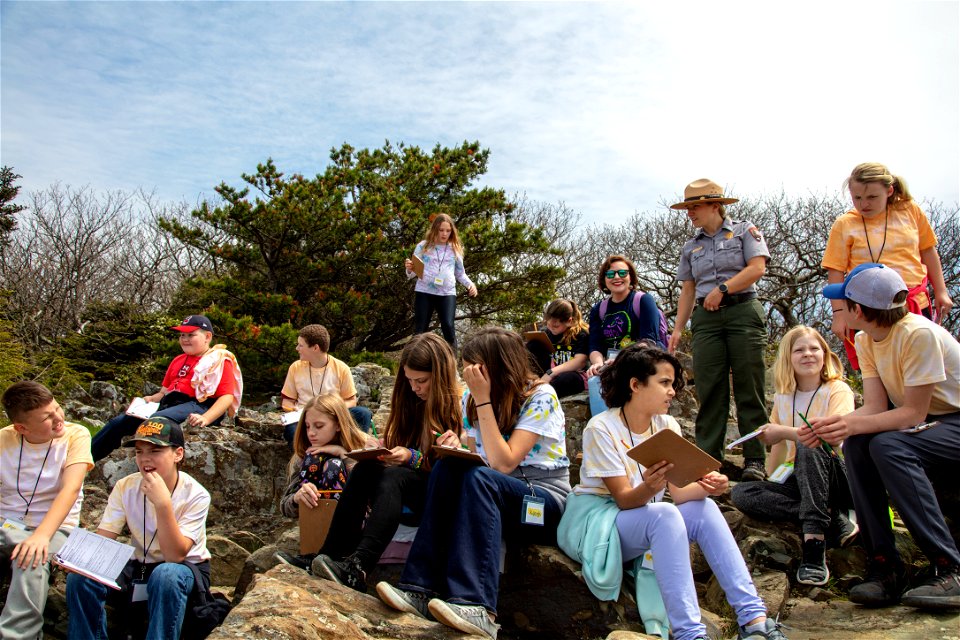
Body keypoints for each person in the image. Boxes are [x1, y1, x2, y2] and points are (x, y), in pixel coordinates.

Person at [560, 345, 788, 640]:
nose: (673, 392)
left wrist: (708, 487)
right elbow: (625, 499)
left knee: (703, 508)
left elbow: (679, 494)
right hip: (600, 521)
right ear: (635, 385)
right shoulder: (601, 427)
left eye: (673, 384)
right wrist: (650, 487)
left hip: (644, 517)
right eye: (664, 383)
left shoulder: (665, 425)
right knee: (664, 514)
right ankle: (690, 634)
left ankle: (754, 619)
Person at [376, 327, 570, 640]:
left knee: (482, 478)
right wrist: (458, 446)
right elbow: (479, 455)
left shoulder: (540, 397)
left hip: (542, 503)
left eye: (474, 368)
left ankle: (477, 605)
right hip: (497, 493)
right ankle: (419, 588)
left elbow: (503, 463)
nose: (468, 376)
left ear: (498, 366)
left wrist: (482, 401)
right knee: (448, 466)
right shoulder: (473, 397)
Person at [816, 263, 960, 610]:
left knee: (888, 445)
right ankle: (885, 566)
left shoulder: (918, 334)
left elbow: (913, 414)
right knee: (858, 443)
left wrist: (850, 424)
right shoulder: (866, 339)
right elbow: (876, 407)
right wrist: (836, 425)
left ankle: (950, 567)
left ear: (859, 310)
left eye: (843, 304)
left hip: (952, 420)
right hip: (934, 425)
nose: (839, 309)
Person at [310, 332, 462, 592]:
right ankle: (329, 554)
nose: (415, 387)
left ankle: (359, 565)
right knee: (367, 468)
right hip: (409, 483)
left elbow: (447, 468)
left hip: (439, 491)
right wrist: (383, 450)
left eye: (422, 381)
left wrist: (411, 457)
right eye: (410, 380)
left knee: (394, 477)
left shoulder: (460, 404)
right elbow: (400, 443)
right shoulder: (411, 400)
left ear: (440, 377)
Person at [730, 326, 857, 586]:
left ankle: (814, 545)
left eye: (814, 349)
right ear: (788, 358)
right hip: (801, 482)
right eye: (799, 350)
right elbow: (778, 447)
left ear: (825, 354)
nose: (808, 354)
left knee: (810, 444)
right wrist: (771, 486)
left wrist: (782, 432)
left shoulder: (837, 389)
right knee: (742, 494)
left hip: (838, 477)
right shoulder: (784, 396)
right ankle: (832, 519)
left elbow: (833, 437)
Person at [67, 417, 213, 640]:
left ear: (178, 454)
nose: (145, 459)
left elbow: (175, 555)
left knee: (167, 574)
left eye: (155, 451)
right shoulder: (126, 486)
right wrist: (79, 560)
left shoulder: (196, 494)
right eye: (139, 451)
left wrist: (163, 503)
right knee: (82, 577)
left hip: (184, 568)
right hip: (140, 565)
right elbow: (104, 538)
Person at [667, 179, 770, 481]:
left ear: (716, 205)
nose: (690, 213)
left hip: (743, 311)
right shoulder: (691, 246)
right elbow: (688, 289)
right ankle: (708, 458)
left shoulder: (744, 231)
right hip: (706, 320)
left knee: (749, 385)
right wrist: (678, 329)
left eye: (695, 206)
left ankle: (755, 459)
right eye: (688, 208)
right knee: (710, 388)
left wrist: (723, 288)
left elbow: (757, 268)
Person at [822, 162, 953, 369]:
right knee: (881, 371)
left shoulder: (910, 210)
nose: (864, 204)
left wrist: (941, 291)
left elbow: (928, 250)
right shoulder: (844, 224)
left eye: (872, 197)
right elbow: (835, 269)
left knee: (922, 367)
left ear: (889, 190)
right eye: (857, 198)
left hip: (913, 301)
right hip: (868, 309)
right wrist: (839, 315)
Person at [1, 381, 93, 640]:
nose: (58, 418)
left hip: (54, 529)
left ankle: (18, 636)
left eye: (57, 409)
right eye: (47, 417)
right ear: (21, 428)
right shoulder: (4, 439)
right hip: (7, 523)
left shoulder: (77, 435)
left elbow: (70, 489)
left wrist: (41, 535)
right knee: (22, 544)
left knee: (31, 558)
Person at [91, 314, 243, 461]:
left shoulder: (219, 360)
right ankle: (84, 461)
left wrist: (206, 418)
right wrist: (151, 399)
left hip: (199, 404)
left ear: (207, 337)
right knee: (119, 422)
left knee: (156, 423)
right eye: (182, 335)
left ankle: (149, 471)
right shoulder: (178, 360)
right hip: (171, 403)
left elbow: (227, 397)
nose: (185, 339)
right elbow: (165, 391)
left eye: (191, 335)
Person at [274, 394, 371, 570]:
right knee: (315, 462)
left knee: (333, 465)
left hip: (359, 529)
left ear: (339, 425)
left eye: (319, 426)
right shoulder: (305, 455)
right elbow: (284, 506)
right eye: (307, 426)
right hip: (315, 528)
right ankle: (316, 554)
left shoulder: (363, 446)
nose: (311, 433)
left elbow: (372, 492)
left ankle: (337, 556)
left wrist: (343, 454)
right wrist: (298, 497)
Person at [586, 255, 667, 416]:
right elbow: (595, 345)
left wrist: (620, 359)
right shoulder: (598, 310)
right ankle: (606, 435)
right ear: (604, 280)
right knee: (595, 382)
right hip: (610, 365)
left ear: (631, 277)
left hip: (642, 361)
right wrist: (597, 363)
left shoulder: (643, 300)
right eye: (610, 274)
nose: (616, 277)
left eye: (622, 273)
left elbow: (648, 340)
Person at [280, 324, 373, 443]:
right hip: (306, 419)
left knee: (363, 413)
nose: (297, 348)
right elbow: (287, 401)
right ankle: (312, 458)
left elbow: (351, 401)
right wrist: (296, 411)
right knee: (291, 430)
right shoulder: (295, 367)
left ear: (315, 348)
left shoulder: (341, 368)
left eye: (301, 345)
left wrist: (329, 411)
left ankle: (354, 451)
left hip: (333, 416)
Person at [405, 213, 478, 350]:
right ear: (435, 229)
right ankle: (412, 366)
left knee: (448, 326)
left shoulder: (455, 248)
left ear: (452, 231)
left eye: (448, 231)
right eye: (441, 230)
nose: (444, 234)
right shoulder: (423, 246)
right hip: (424, 292)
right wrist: (409, 269)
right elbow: (412, 273)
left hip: (447, 293)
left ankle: (452, 367)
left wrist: (470, 284)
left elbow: (460, 273)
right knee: (420, 330)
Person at [525, 298, 590, 398]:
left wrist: (551, 373)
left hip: (574, 374)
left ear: (569, 321)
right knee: (533, 344)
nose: (551, 328)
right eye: (548, 324)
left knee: (565, 380)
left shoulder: (581, 334)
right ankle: (531, 384)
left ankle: (540, 396)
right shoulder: (547, 332)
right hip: (548, 371)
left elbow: (580, 362)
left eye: (555, 326)